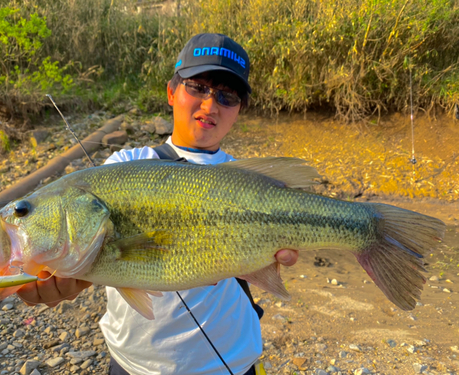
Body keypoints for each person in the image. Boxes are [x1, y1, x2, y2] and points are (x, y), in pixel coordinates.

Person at [17, 33, 299, 375]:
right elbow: (93, 255)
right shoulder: (122, 166)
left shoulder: (248, 181)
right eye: (197, 87)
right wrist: (63, 276)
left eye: (227, 96)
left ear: (239, 110)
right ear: (171, 91)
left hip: (231, 361)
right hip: (134, 364)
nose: (210, 106)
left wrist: (269, 259)